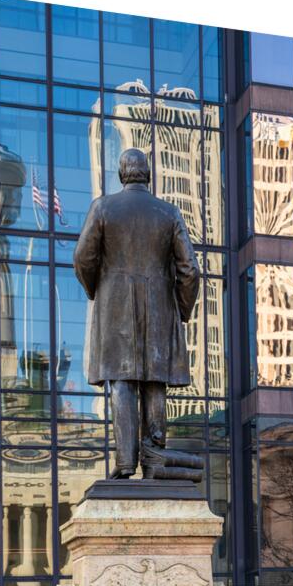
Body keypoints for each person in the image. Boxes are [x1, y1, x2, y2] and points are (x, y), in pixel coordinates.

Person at [73, 148, 200, 480]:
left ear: (121, 174)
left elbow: (82, 258)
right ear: (148, 175)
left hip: (116, 310)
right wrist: (181, 310)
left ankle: (126, 463)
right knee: (155, 382)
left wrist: (98, 291)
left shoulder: (103, 208)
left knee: (123, 382)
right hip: (160, 310)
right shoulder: (169, 213)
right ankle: (154, 458)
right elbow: (190, 271)